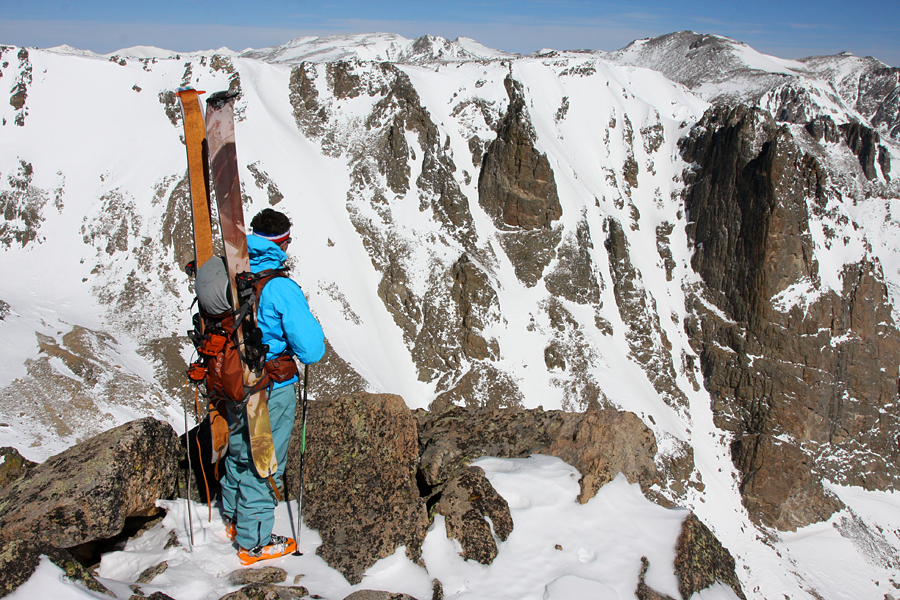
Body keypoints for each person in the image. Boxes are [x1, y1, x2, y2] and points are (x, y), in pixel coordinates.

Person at [220, 208, 325, 565]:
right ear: (281, 242)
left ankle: (234, 518)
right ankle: (255, 541)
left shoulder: (232, 270)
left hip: (235, 380)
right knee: (265, 461)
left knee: (238, 448)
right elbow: (311, 350)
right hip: (271, 386)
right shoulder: (278, 286)